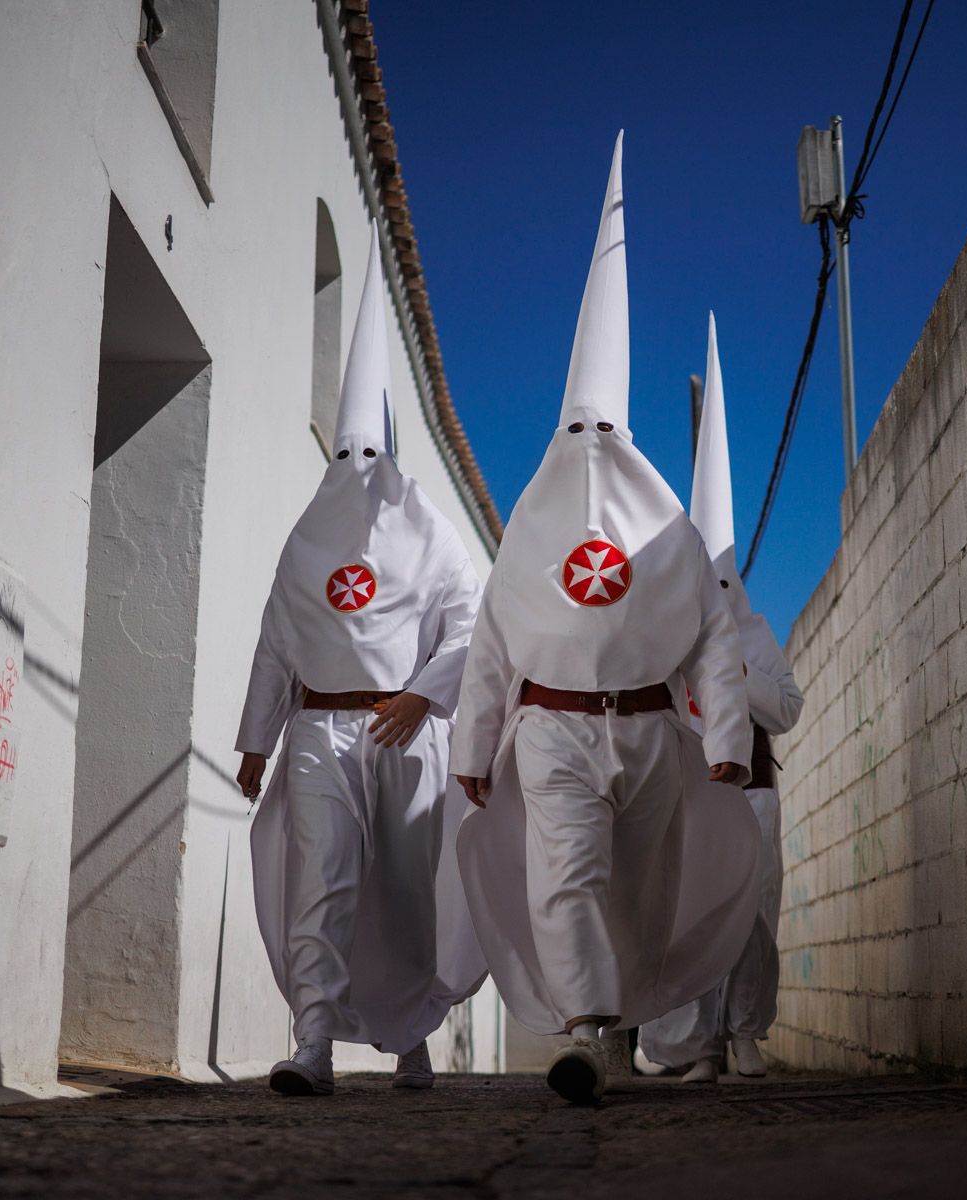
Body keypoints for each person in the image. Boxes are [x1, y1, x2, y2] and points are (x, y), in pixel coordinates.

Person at [449, 133, 762, 1105]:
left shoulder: (667, 535)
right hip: (551, 731)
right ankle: (586, 1029)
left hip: (651, 735)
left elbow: (709, 631)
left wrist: (729, 732)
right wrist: (475, 740)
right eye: (576, 431)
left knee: (637, 891)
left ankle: (617, 1010)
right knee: (569, 875)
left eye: (605, 432)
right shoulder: (526, 542)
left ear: (623, 436)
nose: (590, 449)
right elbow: (493, 649)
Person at [236, 225, 484, 1097]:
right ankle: (312, 1044)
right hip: (317, 730)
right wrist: (256, 740)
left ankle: (412, 1035)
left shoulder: (435, 536)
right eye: (345, 451)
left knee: (406, 894)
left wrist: (425, 696)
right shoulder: (307, 538)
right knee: (324, 884)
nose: (355, 464)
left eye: (366, 451)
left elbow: (468, 627)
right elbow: (276, 638)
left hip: (403, 732)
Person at [638, 315, 805, 1082]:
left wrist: (729, 671)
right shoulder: (667, 633)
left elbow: (787, 706)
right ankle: (692, 1044)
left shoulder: (754, 632)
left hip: (753, 793)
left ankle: (744, 1034)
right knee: (692, 915)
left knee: (752, 922)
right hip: (688, 795)